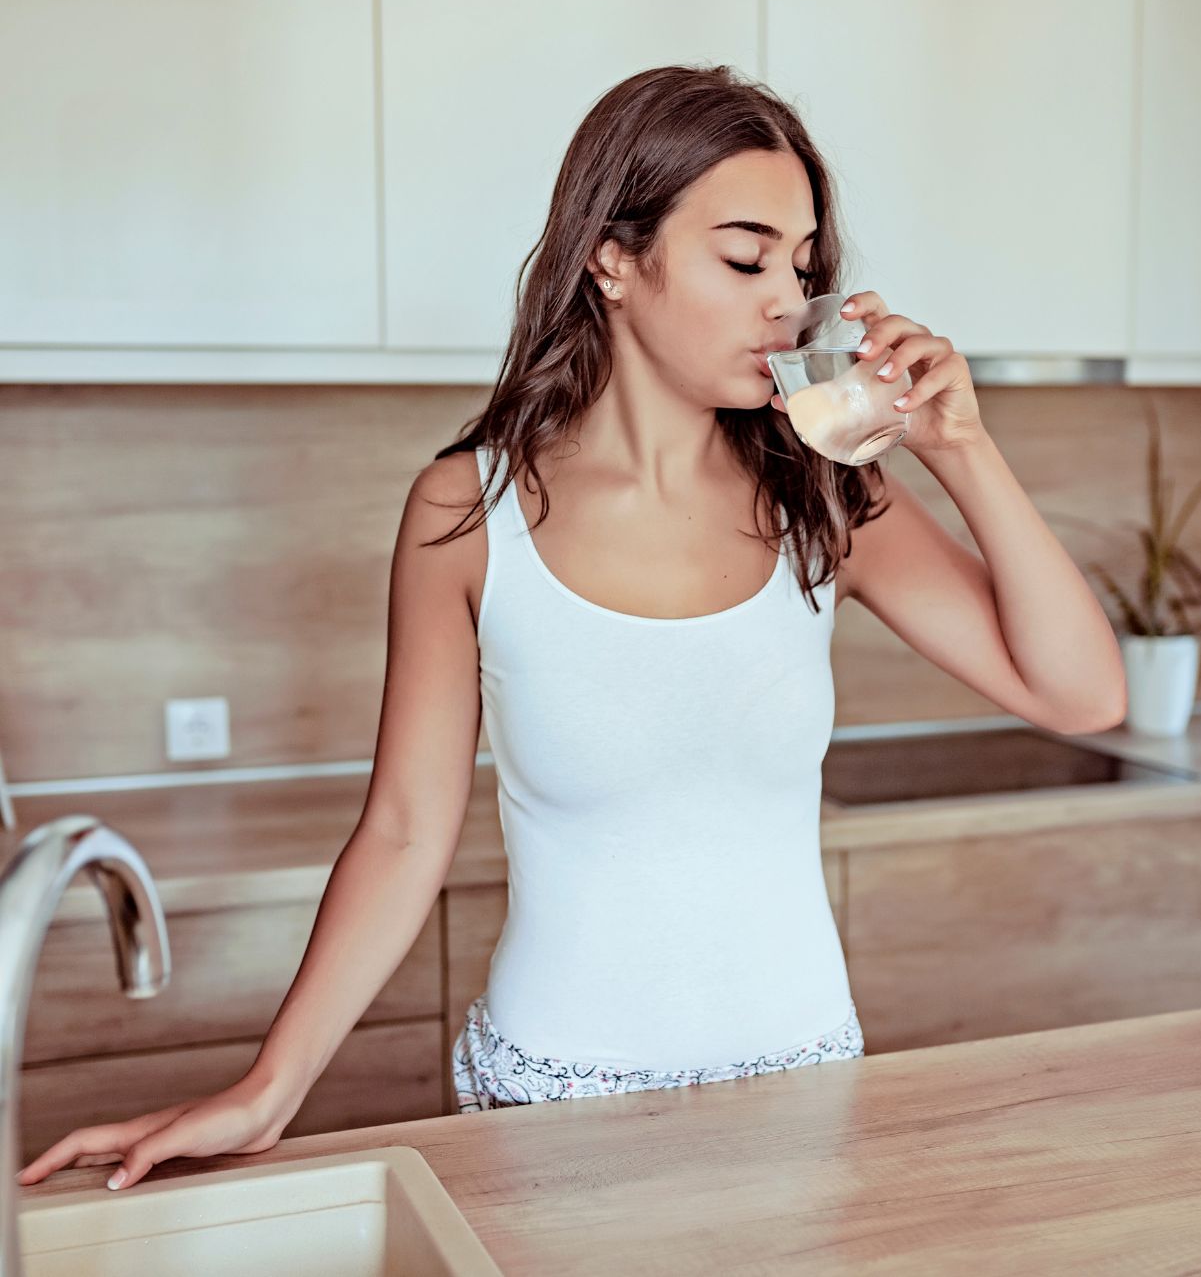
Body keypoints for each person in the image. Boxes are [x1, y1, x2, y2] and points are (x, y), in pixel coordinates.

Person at [18, 63, 1126, 1187]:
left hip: (804, 1091)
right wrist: (268, 1090)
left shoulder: (827, 500)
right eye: (744, 258)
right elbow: (404, 829)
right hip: (546, 1107)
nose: (786, 301)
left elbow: (1083, 696)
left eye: (801, 265)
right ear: (612, 257)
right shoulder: (469, 511)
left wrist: (961, 449)